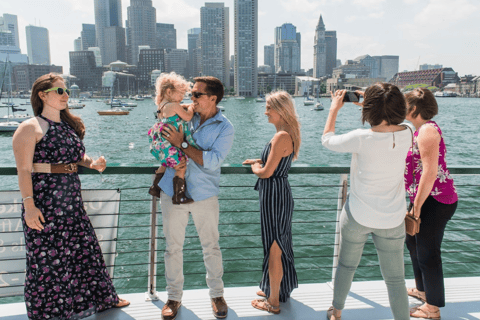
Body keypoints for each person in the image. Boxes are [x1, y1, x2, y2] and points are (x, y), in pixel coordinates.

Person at [12, 73, 129, 320]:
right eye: (60, 91)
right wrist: (29, 206)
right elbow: (23, 170)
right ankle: (50, 313)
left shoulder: (67, 127)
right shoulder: (29, 127)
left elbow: (75, 158)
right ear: (42, 95)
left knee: (84, 252)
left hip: (71, 203)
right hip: (45, 204)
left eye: (67, 92)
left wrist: (94, 163)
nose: (66, 96)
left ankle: (104, 298)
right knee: (48, 262)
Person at [322, 84, 412, 320]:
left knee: (347, 267)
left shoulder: (361, 138)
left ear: (370, 109)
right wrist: (374, 104)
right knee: (395, 279)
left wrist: (334, 109)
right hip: (393, 218)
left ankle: (337, 312)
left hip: (358, 216)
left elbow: (327, 140)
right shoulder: (409, 133)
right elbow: (392, 121)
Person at [157, 76, 234, 320]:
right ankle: (173, 297)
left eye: (198, 95)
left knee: (211, 246)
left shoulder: (225, 127)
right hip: (172, 189)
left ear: (213, 98)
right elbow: (162, 137)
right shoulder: (181, 114)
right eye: (192, 94)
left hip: (204, 194)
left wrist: (181, 144)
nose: (192, 98)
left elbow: (212, 162)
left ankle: (217, 295)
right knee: (172, 248)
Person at [243, 91, 301, 314]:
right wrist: (259, 160)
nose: (266, 112)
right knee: (277, 243)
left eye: (269, 107)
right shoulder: (286, 134)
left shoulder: (281, 136)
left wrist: (256, 168)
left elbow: (267, 172)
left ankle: (273, 302)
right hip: (278, 193)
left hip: (274, 195)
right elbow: (275, 162)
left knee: (275, 246)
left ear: (281, 109)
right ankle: (275, 289)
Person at [404, 88, 458, 320]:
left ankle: (433, 308)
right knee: (413, 243)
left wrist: (416, 207)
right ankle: (424, 290)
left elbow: (429, 172)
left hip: (434, 200)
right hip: (424, 198)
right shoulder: (419, 129)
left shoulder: (426, 130)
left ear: (414, 108)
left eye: (404, 104)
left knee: (428, 253)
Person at [147, 72, 198, 204]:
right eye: (181, 93)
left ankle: (155, 187)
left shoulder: (162, 107)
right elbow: (187, 117)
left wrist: (182, 106)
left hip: (162, 142)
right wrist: (191, 109)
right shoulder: (174, 106)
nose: (182, 97)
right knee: (181, 166)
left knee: (164, 163)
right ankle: (179, 196)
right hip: (172, 141)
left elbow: (175, 112)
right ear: (169, 92)